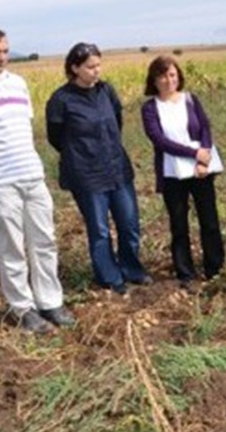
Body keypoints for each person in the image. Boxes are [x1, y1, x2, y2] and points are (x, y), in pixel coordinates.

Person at [0, 24, 71, 334]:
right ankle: (22, 308)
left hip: (31, 173)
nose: (2, 57)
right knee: (13, 247)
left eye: (6, 50)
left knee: (44, 240)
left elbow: (22, 128)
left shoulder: (18, 84)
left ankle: (50, 302)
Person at [46, 42, 151, 295]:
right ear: (75, 68)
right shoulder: (61, 100)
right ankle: (110, 277)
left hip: (117, 167)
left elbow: (116, 123)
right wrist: (81, 153)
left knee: (129, 223)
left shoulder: (107, 91)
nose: (96, 71)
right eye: (90, 66)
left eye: (98, 65)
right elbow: (55, 137)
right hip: (86, 174)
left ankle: (131, 268)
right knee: (99, 229)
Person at [142, 56, 226, 287]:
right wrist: (194, 154)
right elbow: (159, 140)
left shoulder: (190, 99)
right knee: (179, 224)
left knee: (209, 220)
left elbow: (205, 127)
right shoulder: (150, 108)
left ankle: (214, 267)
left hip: (201, 170)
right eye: (163, 76)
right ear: (154, 80)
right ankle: (185, 272)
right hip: (172, 174)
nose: (169, 80)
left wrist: (205, 156)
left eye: (172, 75)